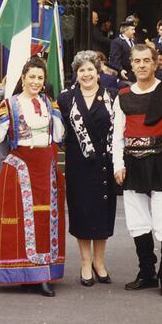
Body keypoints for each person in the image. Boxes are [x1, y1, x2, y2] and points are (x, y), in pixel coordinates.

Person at [0, 57, 65, 297]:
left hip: (46, 168)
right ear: (23, 79)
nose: (36, 81)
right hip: (20, 168)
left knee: (45, 221)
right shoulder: (10, 104)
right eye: (32, 77)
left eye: (40, 77)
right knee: (20, 223)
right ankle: (24, 274)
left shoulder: (50, 104)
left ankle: (44, 275)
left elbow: (60, 135)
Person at [112, 44, 162, 296]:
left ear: (156, 63)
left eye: (147, 60)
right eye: (137, 61)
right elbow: (117, 137)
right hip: (133, 164)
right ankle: (146, 271)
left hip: (161, 163)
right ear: (131, 65)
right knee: (137, 222)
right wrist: (118, 164)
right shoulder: (122, 95)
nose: (142, 65)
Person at [58, 51, 117, 286]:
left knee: (103, 213)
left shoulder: (112, 96)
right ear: (76, 73)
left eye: (90, 69)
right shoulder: (66, 99)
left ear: (98, 71)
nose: (86, 74)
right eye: (81, 70)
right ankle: (85, 263)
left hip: (104, 163)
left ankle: (99, 262)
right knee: (82, 212)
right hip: (79, 164)